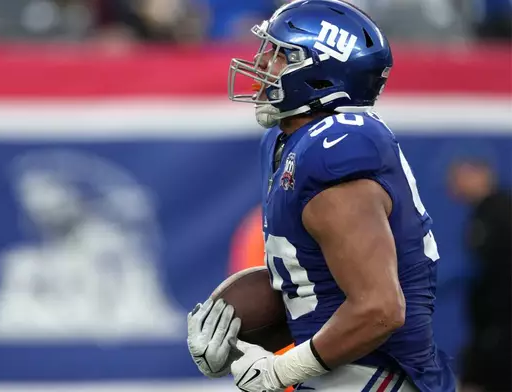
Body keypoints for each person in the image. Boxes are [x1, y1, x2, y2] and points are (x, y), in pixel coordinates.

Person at [186, 0, 456, 391]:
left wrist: (281, 371)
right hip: (341, 370)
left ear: (319, 73)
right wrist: (231, 338)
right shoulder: (288, 142)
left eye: (279, 56)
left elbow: (380, 310)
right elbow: (311, 286)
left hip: (380, 378)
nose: (261, 65)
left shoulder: (336, 147)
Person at [448, 160, 511, 392]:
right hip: (488, 329)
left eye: (458, 177)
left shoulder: (499, 213)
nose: (452, 186)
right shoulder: (482, 213)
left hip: (500, 328)